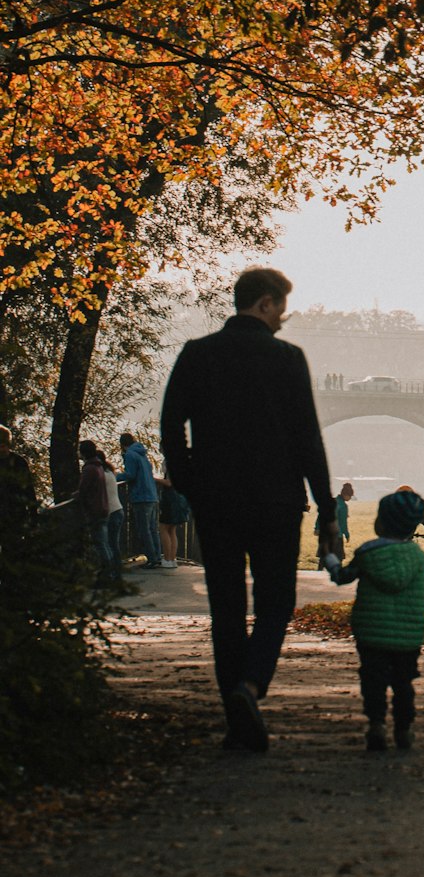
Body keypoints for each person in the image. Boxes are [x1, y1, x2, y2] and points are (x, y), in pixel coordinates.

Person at [161, 266, 342, 753]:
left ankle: (235, 715)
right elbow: (308, 439)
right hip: (276, 500)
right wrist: (328, 510)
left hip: (216, 502)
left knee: (225, 606)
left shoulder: (197, 354)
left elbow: (170, 428)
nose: (284, 318)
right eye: (281, 307)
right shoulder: (287, 358)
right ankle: (251, 686)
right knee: (275, 603)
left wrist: (192, 486)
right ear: (264, 304)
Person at [324, 489, 424, 751]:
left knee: (373, 680)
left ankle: (376, 725)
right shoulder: (418, 558)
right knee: (404, 683)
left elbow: (341, 576)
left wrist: (329, 557)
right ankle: (404, 729)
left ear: (380, 522)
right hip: (408, 637)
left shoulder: (367, 553)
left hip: (370, 634)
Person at [118, 432, 163, 569]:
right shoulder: (143, 455)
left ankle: (152, 559)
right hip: (152, 495)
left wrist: (115, 476)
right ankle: (157, 556)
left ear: (123, 445)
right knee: (153, 529)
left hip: (141, 496)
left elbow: (130, 475)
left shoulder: (130, 455)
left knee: (144, 530)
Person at [76, 440, 111, 580]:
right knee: (104, 543)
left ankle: (106, 574)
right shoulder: (99, 466)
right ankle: (109, 571)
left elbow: (83, 489)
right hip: (103, 508)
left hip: (95, 510)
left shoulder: (89, 468)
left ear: (83, 452)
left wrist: (76, 495)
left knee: (100, 543)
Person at [0, 424, 37, 549]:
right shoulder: (18, 461)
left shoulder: (19, 462)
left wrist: (33, 515)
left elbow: (29, 490)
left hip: (16, 514)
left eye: (3, 446)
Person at [97, 450, 125, 578]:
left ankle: (111, 572)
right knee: (114, 544)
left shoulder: (102, 474)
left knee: (109, 544)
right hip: (118, 510)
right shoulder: (110, 472)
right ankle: (117, 571)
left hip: (112, 512)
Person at [157, 474, 190, 569]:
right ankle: (172, 559)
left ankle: (167, 559)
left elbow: (169, 482)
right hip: (179, 500)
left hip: (170, 501)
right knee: (172, 530)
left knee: (164, 528)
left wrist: (154, 479)